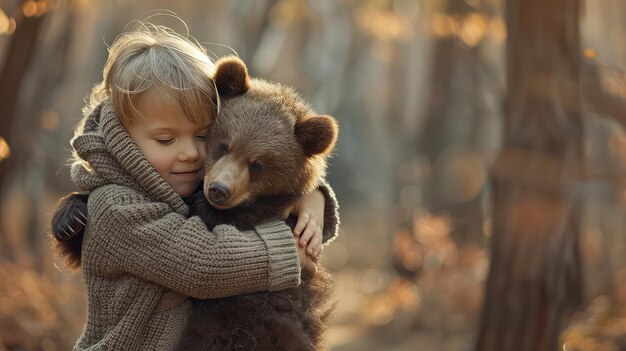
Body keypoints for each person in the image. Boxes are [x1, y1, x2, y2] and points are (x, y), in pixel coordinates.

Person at [50, 20, 339, 350]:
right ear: (123, 137)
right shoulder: (115, 205)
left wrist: (311, 197)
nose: (189, 153)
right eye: (166, 139)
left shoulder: (181, 183)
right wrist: (291, 249)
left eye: (202, 136)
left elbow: (275, 188)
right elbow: (205, 262)